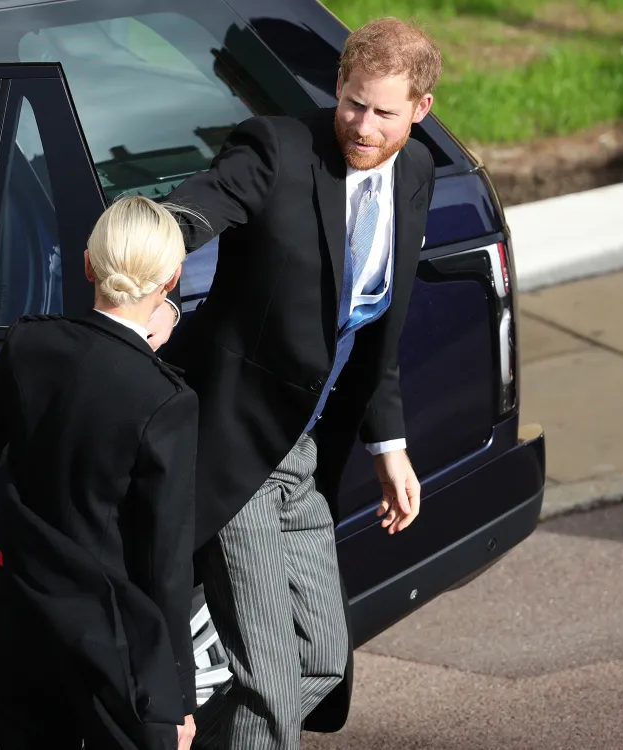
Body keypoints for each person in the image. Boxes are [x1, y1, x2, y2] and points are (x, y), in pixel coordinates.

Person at [148, 16, 443, 749]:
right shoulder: (278, 151)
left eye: (382, 111)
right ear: (337, 87)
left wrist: (390, 444)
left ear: (420, 110)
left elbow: (375, 326)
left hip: (302, 456)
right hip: (234, 445)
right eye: (351, 102)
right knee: (270, 680)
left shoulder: (415, 174)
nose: (361, 125)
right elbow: (202, 204)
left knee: (321, 662)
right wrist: (147, 247)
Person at [0, 196, 201, 750]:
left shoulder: (31, 344)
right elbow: (165, 563)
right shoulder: (164, 400)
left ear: (87, 264)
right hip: (110, 639)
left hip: (22, 616)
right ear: (172, 281)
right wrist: (175, 696)